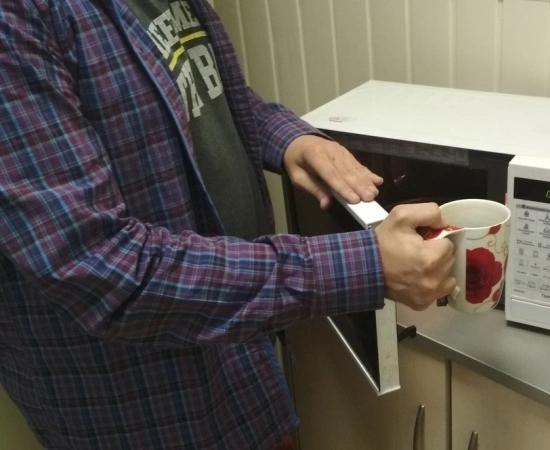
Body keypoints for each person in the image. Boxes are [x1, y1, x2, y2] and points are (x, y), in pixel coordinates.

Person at [0, 0, 456, 448]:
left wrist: (289, 138)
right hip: (144, 404)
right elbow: (99, 264)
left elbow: (205, 95)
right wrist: (363, 265)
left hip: (236, 347)